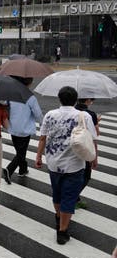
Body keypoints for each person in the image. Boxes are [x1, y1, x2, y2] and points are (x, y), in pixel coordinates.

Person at [35, 87, 97, 245]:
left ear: (59, 99)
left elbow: (43, 138)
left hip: (53, 162)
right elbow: (92, 139)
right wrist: (94, 158)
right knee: (69, 197)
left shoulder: (50, 115)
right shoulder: (84, 116)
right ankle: (62, 231)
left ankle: (58, 217)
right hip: (75, 163)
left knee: (57, 193)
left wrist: (38, 156)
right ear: (76, 100)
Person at [3, 77, 43, 184]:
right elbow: (38, 113)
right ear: (29, 83)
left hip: (13, 127)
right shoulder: (30, 97)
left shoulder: (11, 95)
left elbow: (5, 107)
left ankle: (23, 169)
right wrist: (42, 123)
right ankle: (9, 170)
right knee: (21, 153)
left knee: (20, 151)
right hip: (24, 129)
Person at [74, 97, 100, 209]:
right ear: (88, 100)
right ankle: (72, 198)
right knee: (86, 176)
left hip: (71, 146)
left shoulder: (72, 111)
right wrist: (95, 157)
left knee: (73, 174)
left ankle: (75, 198)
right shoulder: (90, 114)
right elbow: (95, 135)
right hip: (84, 148)